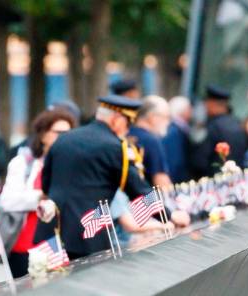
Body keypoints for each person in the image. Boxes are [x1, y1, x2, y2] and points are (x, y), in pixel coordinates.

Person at [35, 95, 189, 259]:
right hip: (89, 237)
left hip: (51, 234)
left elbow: (46, 184)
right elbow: (138, 191)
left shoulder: (64, 139)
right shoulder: (115, 147)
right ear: (116, 120)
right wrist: (169, 216)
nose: (129, 128)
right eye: (128, 122)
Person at [0, 109, 77, 277]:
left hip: (59, 246)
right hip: (26, 246)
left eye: (69, 133)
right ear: (43, 135)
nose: (65, 137)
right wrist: (41, 196)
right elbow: (8, 201)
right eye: (59, 132)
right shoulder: (23, 163)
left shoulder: (72, 164)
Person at [190, 85, 247, 178]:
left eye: (207, 103)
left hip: (214, 182)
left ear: (212, 103)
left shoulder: (213, 126)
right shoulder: (237, 124)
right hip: (236, 179)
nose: (205, 106)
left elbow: (200, 161)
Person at [128, 95, 173, 189]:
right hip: (144, 199)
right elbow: (161, 181)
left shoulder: (125, 134)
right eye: (166, 117)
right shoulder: (151, 141)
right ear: (152, 117)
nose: (168, 122)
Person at [163, 96, 192, 183]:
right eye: (189, 108)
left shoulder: (180, 128)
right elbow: (175, 161)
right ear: (183, 111)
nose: (191, 111)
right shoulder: (174, 131)